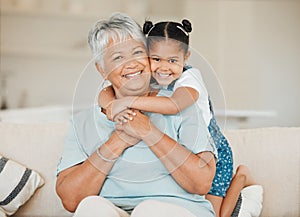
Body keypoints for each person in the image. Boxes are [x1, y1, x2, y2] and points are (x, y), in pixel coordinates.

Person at [56, 13, 217, 217]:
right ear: (101, 69)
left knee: (148, 211)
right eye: (118, 57)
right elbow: (70, 200)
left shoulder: (182, 107)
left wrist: (148, 131)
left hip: (179, 210)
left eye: (137, 53)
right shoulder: (83, 122)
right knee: (91, 207)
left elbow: (202, 182)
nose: (131, 64)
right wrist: (118, 141)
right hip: (113, 210)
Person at [98, 19, 261, 217]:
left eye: (173, 61)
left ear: (186, 57)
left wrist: (127, 102)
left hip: (211, 151)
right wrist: (109, 106)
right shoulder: (151, 75)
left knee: (218, 214)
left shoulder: (190, 78)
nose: (164, 67)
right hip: (184, 147)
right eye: (156, 59)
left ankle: (242, 177)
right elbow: (105, 90)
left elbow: (174, 105)